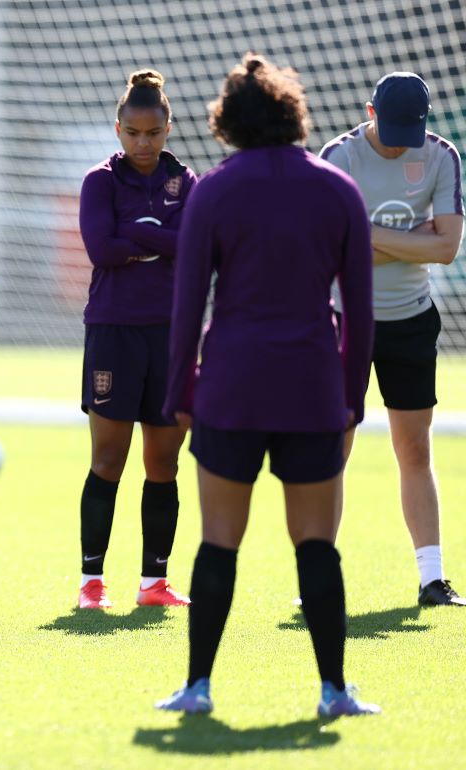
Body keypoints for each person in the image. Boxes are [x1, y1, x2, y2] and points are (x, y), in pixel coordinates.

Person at [156, 54, 380, 717]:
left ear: (228, 121)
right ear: (293, 114)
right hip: (313, 388)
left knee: (218, 541)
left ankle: (197, 689)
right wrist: (352, 400)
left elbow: (186, 304)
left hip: (231, 386)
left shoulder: (215, 191)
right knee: (316, 544)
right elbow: (360, 312)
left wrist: (180, 394)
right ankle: (333, 692)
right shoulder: (338, 189)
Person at [320, 72, 465, 607]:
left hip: (412, 318)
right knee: (334, 446)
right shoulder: (340, 157)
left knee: (415, 447)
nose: (404, 139)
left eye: (414, 128)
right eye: (393, 127)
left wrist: (366, 236)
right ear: (369, 111)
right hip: (345, 318)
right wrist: (415, 239)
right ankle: (320, 573)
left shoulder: (440, 155)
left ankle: (432, 579)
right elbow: (332, 248)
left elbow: (448, 248)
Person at [76, 69, 195, 610]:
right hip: (113, 333)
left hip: (171, 335)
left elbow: (196, 249)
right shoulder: (100, 182)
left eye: (153, 132)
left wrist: (140, 234)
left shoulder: (187, 182)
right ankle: (91, 584)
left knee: (164, 464)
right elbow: (101, 249)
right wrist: (160, 238)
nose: (143, 143)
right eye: (132, 133)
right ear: (118, 129)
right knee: (108, 460)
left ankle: (154, 584)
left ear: (168, 127)